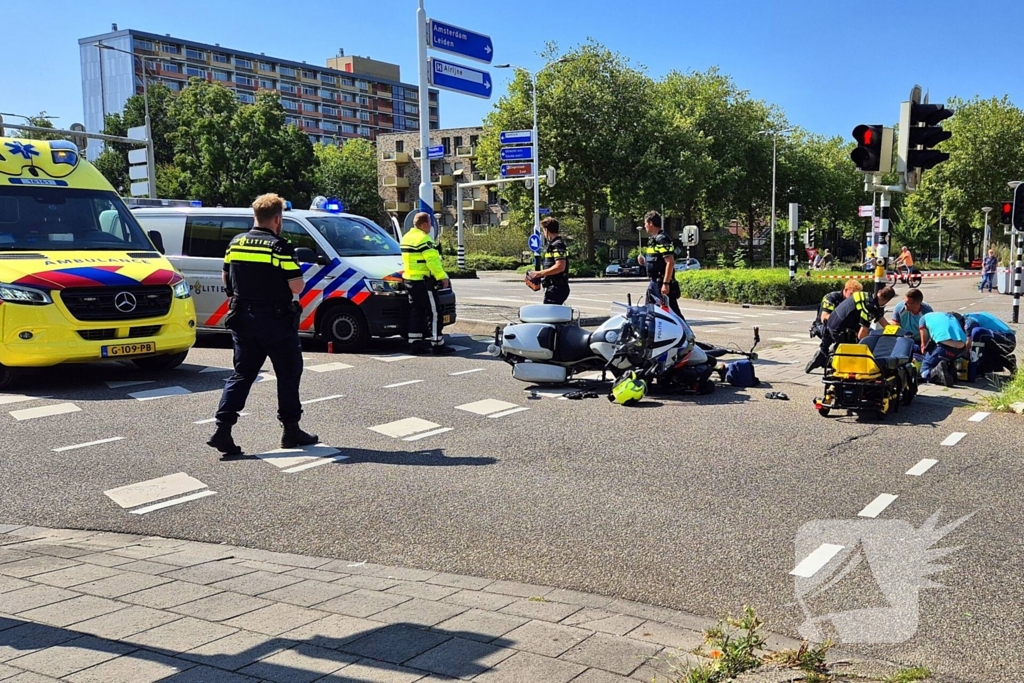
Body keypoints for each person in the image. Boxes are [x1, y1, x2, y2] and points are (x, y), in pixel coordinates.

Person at [208, 193, 317, 457]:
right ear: (278, 219)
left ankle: (223, 429)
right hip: (276, 322)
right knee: (288, 374)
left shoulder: (236, 242)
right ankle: (290, 430)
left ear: (255, 216)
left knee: (242, 374)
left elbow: (225, 276)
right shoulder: (279, 247)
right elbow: (297, 286)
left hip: (243, 319)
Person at [805, 286, 895, 373]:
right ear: (887, 300)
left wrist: (895, 332)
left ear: (879, 291)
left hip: (831, 325)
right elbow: (862, 335)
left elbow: (882, 321)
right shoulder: (870, 307)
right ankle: (828, 359)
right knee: (853, 354)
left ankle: (823, 354)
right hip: (839, 331)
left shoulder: (866, 296)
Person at [401, 212, 453, 355]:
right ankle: (437, 344)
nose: (431, 226)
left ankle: (415, 344)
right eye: (430, 223)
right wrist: (442, 277)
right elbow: (432, 261)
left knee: (416, 311)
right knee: (435, 312)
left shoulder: (406, 238)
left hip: (410, 280)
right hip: (424, 282)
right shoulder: (424, 239)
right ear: (424, 224)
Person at [638, 210, 682, 317]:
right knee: (650, 314)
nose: (644, 226)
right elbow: (657, 262)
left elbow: (670, 262)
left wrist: (666, 284)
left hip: (661, 283)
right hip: (653, 284)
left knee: (673, 315)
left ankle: (684, 329)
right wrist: (645, 263)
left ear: (650, 223)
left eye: (645, 223)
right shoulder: (653, 240)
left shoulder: (663, 239)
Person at [918, 312, 970, 387]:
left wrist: (925, 353)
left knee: (924, 371)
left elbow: (924, 346)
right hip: (961, 349)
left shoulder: (923, 319)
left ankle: (936, 371)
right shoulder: (950, 317)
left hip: (943, 347)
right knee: (945, 356)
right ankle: (951, 372)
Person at [528, 217, 569, 305]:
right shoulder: (553, 245)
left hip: (557, 287)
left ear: (546, 230)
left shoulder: (557, 245)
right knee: (553, 311)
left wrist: (539, 273)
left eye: (543, 230)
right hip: (555, 287)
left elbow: (560, 267)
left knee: (549, 312)